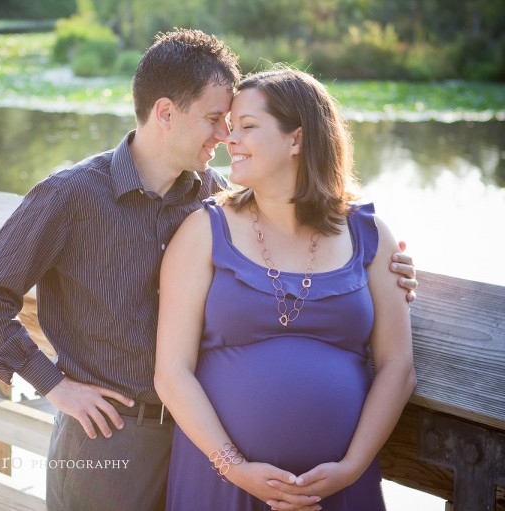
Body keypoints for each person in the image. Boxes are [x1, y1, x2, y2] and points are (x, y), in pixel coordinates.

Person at [0, 31, 417, 511]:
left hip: (194, 442)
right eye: (216, 120)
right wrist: (55, 385)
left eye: (234, 123)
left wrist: (387, 266)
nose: (225, 136)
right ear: (166, 113)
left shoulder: (215, 197)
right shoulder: (70, 195)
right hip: (111, 438)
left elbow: (308, 227)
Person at [155, 66, 417, 511]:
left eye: (248, 128)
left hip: (338, 490)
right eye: (231, 128)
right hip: (220, 485)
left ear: (296, 140)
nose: (229, 139)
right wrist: (233, 466)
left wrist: (352, 466)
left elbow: (398, 367)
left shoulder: (369, 235)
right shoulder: (202, 231)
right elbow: (172, 372)